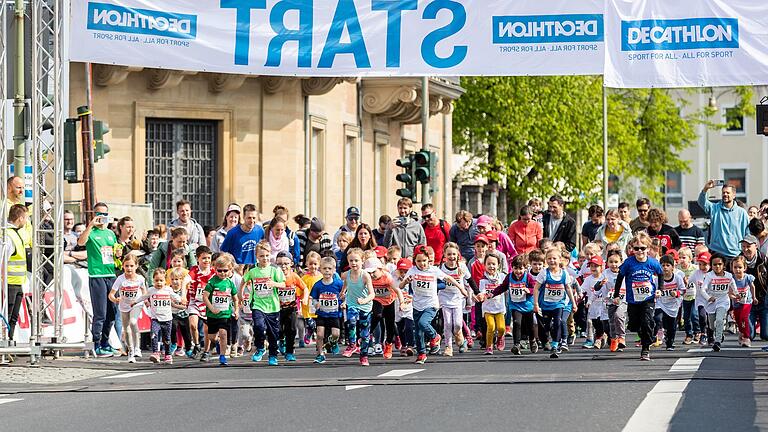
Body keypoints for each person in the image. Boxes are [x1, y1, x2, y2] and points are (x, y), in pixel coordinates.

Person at [399, 245, 463, 364]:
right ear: (415, 261)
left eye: (424, 261)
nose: (422, 264)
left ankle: (435, 336)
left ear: (428, 259)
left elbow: (448, 278)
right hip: (417, 305)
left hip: (431, 304)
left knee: (424, 323)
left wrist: (461, 288)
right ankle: (422, 354)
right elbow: (401, 286)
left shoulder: (434, 270)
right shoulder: (412, 270)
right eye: (419, 261)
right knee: (418, 333)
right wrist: (406, 281)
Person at [612, 232, 664, 361]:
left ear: (648, 248)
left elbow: (661, 274)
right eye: (636, 248)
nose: (640, 251)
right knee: (634, 325)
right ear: (632, 249)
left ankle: (645, 349)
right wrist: (617, 295)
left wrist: (660, 289)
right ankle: (647, 335)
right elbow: (620, 277)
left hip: (648, 298)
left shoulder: (653, 262)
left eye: (642, 248)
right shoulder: (628, 263)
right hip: (633, 299)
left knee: (646, 321)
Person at [78, 202, 118, 357]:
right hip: (97, 275)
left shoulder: (110, 233)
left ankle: (105, 342)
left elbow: (115, 251)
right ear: (94, 215)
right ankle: (96, 343)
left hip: (111, 275)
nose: (102, 217)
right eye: (99, 214)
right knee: (100, 312)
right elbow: (81, 242)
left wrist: (119, 254)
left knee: (111, 313)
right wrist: (90, 226)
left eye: (105, 214)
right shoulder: (91, 232)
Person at [244, 241, 285, 366]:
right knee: (259, 327)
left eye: (267, 255)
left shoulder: (275, 270)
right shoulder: (253, 271)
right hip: (258, 305)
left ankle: (273, 355)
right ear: (257, 256)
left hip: (273, 306)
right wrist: (241, 295)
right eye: (262, 256)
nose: (265, 258)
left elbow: (283, 284)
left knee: (273, 333)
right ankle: (260, 347)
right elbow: (243, 281)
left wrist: (274, 284)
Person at [532, 247, 578, 359]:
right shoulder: (544, 273)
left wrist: (573, 303)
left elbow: (568, 288)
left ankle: (555, 345)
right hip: (546, 304)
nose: (552, 261)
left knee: (558, 321)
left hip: (559, 304)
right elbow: (536, 288)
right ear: (546, 260)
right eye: (549, 258)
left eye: (554, 258)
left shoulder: (564, 274)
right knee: (547, 326)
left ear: (559, 259)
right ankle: (548, 339)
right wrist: (536, 304)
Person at [130, 268, 182, 364]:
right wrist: (135, 302)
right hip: (156, 319)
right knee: (153, 335)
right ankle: (155, 353)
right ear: (153, 280)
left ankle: (168, 355)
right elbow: (143, 297)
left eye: (161, 281)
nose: (159, 283)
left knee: (167, 338)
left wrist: (181, 300)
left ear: (165, 281)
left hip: (167, 319)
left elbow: (175, 296)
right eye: (156, 280)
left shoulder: (168, 290)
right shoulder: (151, 290)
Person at [201, 253, 240, 365]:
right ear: (215, 269)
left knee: (223, 333)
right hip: (213, 315)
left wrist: (236, 310)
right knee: (212, 337)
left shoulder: (230, 283)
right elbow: (205, 297)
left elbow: (235, 299)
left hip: (225, 314)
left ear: (230, 270)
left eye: (225, 271)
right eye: (220, 271)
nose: (222, 273)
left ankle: (222, 356)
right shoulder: (212, 282)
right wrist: (212, 308)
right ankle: (217, 342)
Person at [108, 253, 146, 363]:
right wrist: (115, 300)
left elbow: (144, 292)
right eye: (126, 266)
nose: (129, 268)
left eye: (131, 266)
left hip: (136, 304)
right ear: (123, 266)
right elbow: (111, 294)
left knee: (133, 322)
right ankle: (131, 352)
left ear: (136, 266)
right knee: (127, 330)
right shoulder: (120, 279)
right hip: (124, 306)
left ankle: (137, 348)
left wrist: (145, 300)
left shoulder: (140, 278)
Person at [438, 243, 475, 356]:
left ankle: (459, 336)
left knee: (458, 324)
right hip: (444, 297)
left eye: (454, 254)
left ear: (458, 254)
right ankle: (448, 346)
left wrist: (477, 293)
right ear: (444, 255)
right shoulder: (441, 268)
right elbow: (435, 283)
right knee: (448, 323)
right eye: (449, 254)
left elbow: (470, 280)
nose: (451, 256)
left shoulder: (462, 267)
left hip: (458, 298)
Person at [340, 248, 375, 366]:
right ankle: (352, 344)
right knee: (351, 321)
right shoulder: (347, 274)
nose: (353, 263)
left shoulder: (365, 276)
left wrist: (364, 300)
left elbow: (372, 294)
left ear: (362, 261)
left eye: (356, 260)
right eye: (351, 261)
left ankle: (364, 356)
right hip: (352, 303)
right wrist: (343, 292)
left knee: (365, 333)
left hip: (365, 307)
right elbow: (346, 284)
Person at [699, 180, 749, 261]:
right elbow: (701, 202)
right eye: (723, 193)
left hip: (735, 254)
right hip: (717, 253)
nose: (725, 194)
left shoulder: (742, 212)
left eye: (728, 193)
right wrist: (705, 189)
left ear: (734, 195)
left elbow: (747, 233)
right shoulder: (714, 208)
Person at [275, 251, 308, 362]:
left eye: (286, 263)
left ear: (291, 264)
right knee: (278, 329)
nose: (283, 267)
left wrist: (305, 298)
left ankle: (289, 352)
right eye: (279, 264)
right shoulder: (274, 276)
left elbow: (305, 288)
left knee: (292, 329)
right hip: (277, 309)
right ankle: (281, 339)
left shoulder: (294, 276)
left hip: (291, 308)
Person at [2, 205, 28, 341]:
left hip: (18, 282)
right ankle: (5, 342)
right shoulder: (8, 235)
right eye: (26, 218)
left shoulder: (17, 233)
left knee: (13, 317)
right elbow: (2, 259)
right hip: (9, 283)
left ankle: (10, 341)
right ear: (20, 218)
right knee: (7, 316)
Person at [311, 256, 344, 364]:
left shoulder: (338, 284)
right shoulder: (318, 285)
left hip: (334, 314)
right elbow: (314, 298)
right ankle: (320, 354)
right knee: (320, 335)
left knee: (336, 334)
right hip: (322, 314)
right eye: (324, 268)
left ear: (334, 270)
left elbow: (345, 295)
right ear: (320, 269)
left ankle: (332, 343)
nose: (327, 271)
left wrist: (344, 302)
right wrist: (316, 304)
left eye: (329, 269)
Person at [702, 256, 738, 352]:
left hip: (723, 301)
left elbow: (733, 286)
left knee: (719, 320)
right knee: (712, 325)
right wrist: (709, 298)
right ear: (711, 266)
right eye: (715, 264)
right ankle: (719, 333)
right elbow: (703, 290)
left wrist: (737, 294)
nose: (717, 266)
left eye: (719, 264)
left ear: (723, 265)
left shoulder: (728, 276)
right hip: (711, 302)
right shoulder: (709, 276)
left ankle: (717, 342)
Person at [740, 235, 768, 341]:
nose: (745, 249)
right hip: (747, 300)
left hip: (763, 299)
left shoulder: (764, 259)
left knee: (766, 335)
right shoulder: (739, 260)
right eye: (743, 246)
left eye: (748, 246)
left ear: (755, 246)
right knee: (749, 336)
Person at [187, 246, 214, 358]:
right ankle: (197, 344)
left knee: (207, 329)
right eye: (204, 258)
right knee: (193, 325)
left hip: (208, 303)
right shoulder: (194, 270)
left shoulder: (213, 272)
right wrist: (184, 295)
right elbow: (186, 280)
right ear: (198, 259)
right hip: (195, 301)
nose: (206, 261)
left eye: (208, 258)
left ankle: (206, 351)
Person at [478, 253, 506, 355]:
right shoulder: (483, 280)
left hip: (499, 307)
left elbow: (508, 285)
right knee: (491, 326)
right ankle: (489, 346)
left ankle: (500, 337)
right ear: (484, 265)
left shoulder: (502, 277)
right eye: (489, 264)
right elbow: (482, 292)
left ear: (498, 265)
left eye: (494, 264)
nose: (491, 266)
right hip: (488, 308)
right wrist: (482, 295)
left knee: (501, 328)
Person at [655, 254, 685, 350]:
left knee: (671, 326)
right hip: (660, 303)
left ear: (673, 267)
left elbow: (683, 290)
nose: (665, 267)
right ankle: (658, 332)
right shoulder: (657, 280)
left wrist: (676, 293)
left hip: (673, 305)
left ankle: (670, 342)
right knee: (658, 318)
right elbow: (653, 291)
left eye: (668, 265)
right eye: (663, 265)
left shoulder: (677, 278)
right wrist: (656, 294)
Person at [732, 256, 757, 347]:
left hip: (747, 301)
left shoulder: (748, 278)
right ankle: (741, 333)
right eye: (735, 267)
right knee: (738, 320)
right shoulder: (732, 279)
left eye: (740, 267)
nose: (737, 270)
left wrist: (754, 298)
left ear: (744, 268)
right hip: (737, 303)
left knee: (744, 317)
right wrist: (734, 297)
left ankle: (747, 337)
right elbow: (729, 292)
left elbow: (752, 287)